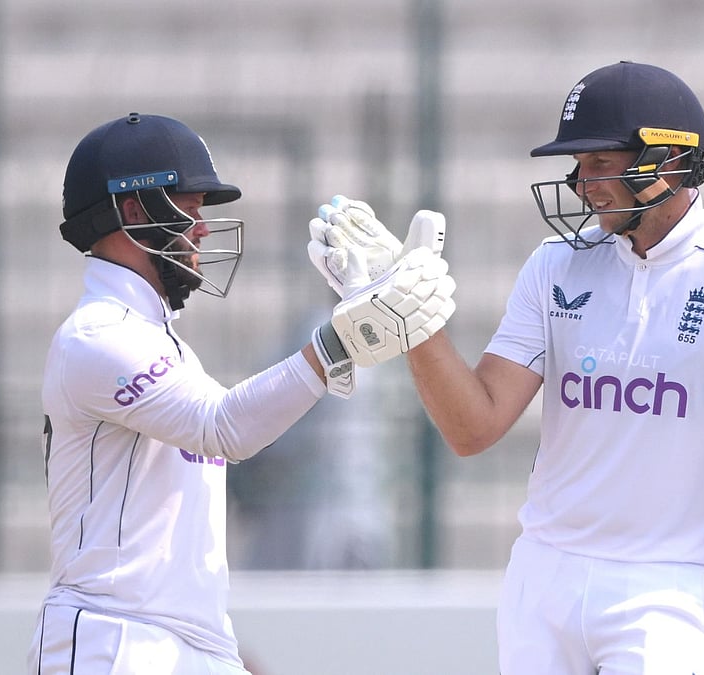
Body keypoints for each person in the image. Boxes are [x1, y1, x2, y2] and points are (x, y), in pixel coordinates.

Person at [308, 62, 704, 674]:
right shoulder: (554, 266)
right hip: (543, 578)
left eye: (601, 162)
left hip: (671, 590)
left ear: (671, 162)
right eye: (578, 166)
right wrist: (411, 319)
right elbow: (475, 427)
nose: (582, 183)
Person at [29, 112, 454, 674]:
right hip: (115, 641)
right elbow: (223, 427)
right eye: (189, 206)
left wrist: (345, 342)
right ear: (134, 211)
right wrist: (338, 341)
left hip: (178, 638)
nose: (202, 228)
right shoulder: (99, 336)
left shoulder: (154, 338)